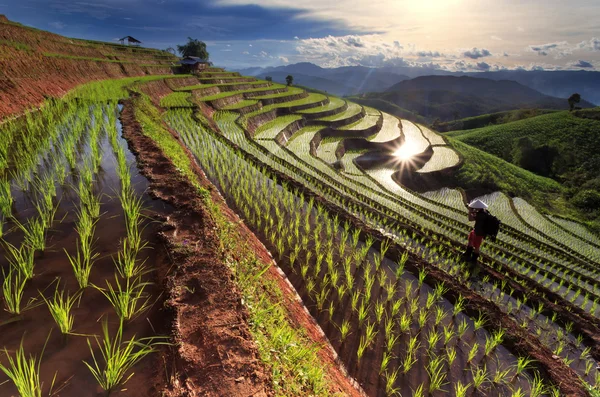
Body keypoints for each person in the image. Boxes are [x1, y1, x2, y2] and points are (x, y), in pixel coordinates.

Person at [461, 199, 490, 276]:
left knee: (476, 246)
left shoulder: (481, 215)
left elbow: (470, 219)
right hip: (476, 230)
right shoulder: (483, 212)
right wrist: (472, 211)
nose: (474, 208)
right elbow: (475, 216)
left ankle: (474, 259)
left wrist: (470, 211)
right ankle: (467, 253)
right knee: (470, 241)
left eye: (475, 207)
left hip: (479, 233)